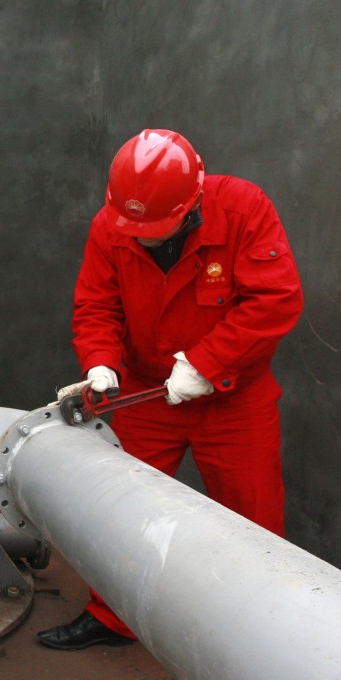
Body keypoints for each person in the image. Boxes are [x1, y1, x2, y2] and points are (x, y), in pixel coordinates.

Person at [38, 129, 303, 650]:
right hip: (146, 392)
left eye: (154, 228)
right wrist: (101, 364)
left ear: (194, 199)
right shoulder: (110, 227)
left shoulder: (245, 210)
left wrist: (206, 363)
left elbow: (275, 300)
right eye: (133, 227)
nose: (143, 237)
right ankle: (114, 617)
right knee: (124, 508)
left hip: (232, 399)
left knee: (254, 518)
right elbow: (97, 305)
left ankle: (262, 635)